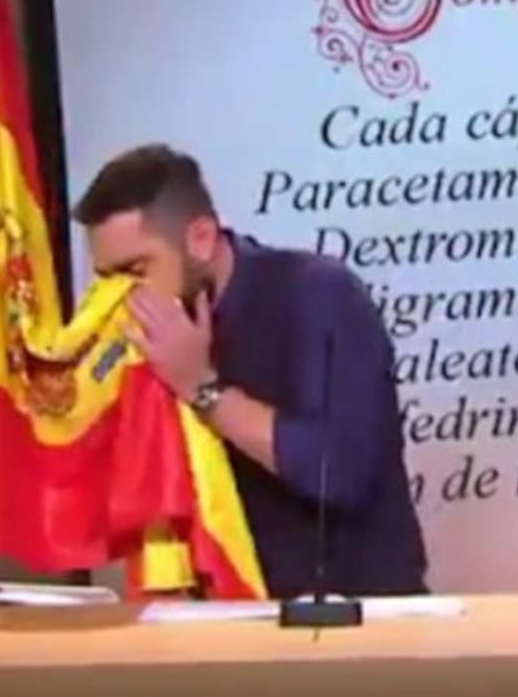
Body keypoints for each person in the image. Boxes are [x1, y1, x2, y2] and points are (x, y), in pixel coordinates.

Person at [71, 143, 427, 598]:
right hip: (218, 616)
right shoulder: (131, 341)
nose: (122, 295)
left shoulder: (316, 293)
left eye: (135, 271)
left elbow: (337, 471)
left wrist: (201, 388)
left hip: (354, 615)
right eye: (107, 279)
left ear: (201, 238)